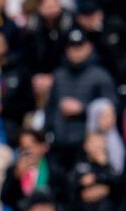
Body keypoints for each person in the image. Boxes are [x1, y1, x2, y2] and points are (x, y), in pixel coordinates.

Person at [45, 28, 118, 167]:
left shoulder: (101, 75)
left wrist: (83, 108)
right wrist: (49, 132)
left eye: (80, 46)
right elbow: (51, 107)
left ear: (89, 47)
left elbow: (112, 107)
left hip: (88, 145)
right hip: (60, 142)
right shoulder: (59, 75)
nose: (75, 51)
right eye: (72, 47)